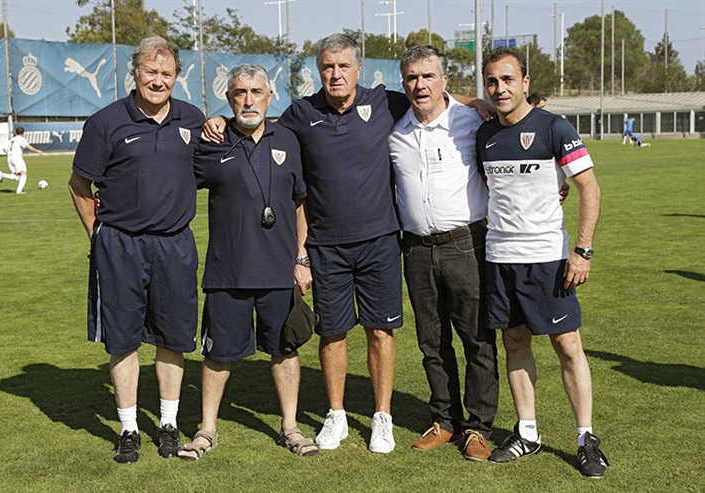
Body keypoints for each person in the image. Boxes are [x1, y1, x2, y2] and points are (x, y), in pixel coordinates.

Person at [204, 34, 491, 454]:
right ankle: (336, 414)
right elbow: (256, 117)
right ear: (319, 71)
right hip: (326, 245)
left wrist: (475, 101)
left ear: (359, 70)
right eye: (327, 67)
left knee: (381, 331)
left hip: (380, 241)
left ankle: (382, 417)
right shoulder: (302, 113)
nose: (335, 74)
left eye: (343, 66)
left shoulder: (384, 102)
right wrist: (219, 119)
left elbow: (430, 94)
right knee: (333, 333)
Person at [68, 36, 205, 464]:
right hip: (120, 245)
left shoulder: (192, 119)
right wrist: (97, 234)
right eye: (150, 71)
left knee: (173, 338)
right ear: (136, 72)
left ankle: (168, 424)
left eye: (166, 73)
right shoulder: (106, 121)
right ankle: (128, 429)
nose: (158, 81)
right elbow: (79, 184)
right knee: (123, 339)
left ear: (177, 76)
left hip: (175, 244)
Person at [476, 47, 609, 478]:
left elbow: (589, 187)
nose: (500, 88)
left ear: (526, 82)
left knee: (567, 345)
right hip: (500, 257)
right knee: (514, 342)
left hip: (548, 258)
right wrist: (472, 101)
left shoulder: (554, 127)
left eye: (508, 79)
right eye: (492, 81)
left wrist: (582, 251)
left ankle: (586, 438)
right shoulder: (484, 135)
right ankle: (527, 433)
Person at [176, 64, 318, 460]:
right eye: (240, 92)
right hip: (228, 272)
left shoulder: (288, 139)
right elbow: (172, 174)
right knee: (218, 354)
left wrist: (301, 257)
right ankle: (207, 430)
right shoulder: (211, 142)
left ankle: (290, 427)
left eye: (256, 92)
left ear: (270, 97)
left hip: (279, 270)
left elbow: (300, 203)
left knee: (285, 351)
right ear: (229, 98)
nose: (248, 100)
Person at [388, 45, 499, 460]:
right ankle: (445, 420)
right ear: (404, 83)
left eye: (428, 76)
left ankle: (478, 428)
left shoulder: (473, 120)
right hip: (415, 249)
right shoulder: (394, 129)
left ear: (444, 81)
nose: (420, 85)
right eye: (412, 77)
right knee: (431, 341)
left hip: (467, 244)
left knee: (477, 339)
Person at [0, 126, 43, 194]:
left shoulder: (11, 140)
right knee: (24, 174)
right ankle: (19, 191)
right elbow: (27, 146)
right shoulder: (21, 139)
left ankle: (3, 175)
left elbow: (4, 149)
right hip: (17, 157)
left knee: (17, 176)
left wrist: (9, 153)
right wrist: (37, 151)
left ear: (16, 133)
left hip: (9, 158)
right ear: (23, 133)